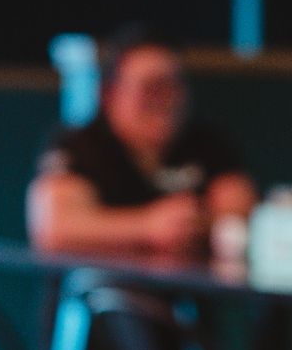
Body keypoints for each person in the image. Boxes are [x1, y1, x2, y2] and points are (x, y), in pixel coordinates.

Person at [27, 28, 256, 256]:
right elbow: (54, 230)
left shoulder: (206, 141)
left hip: (196, 288)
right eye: (151, 87)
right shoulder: (79, 143)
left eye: (173, 85)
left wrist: (196, 222)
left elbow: (240, 211)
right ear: (109, 94)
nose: (165, 99)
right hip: (101, 286)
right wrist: (147, 226)